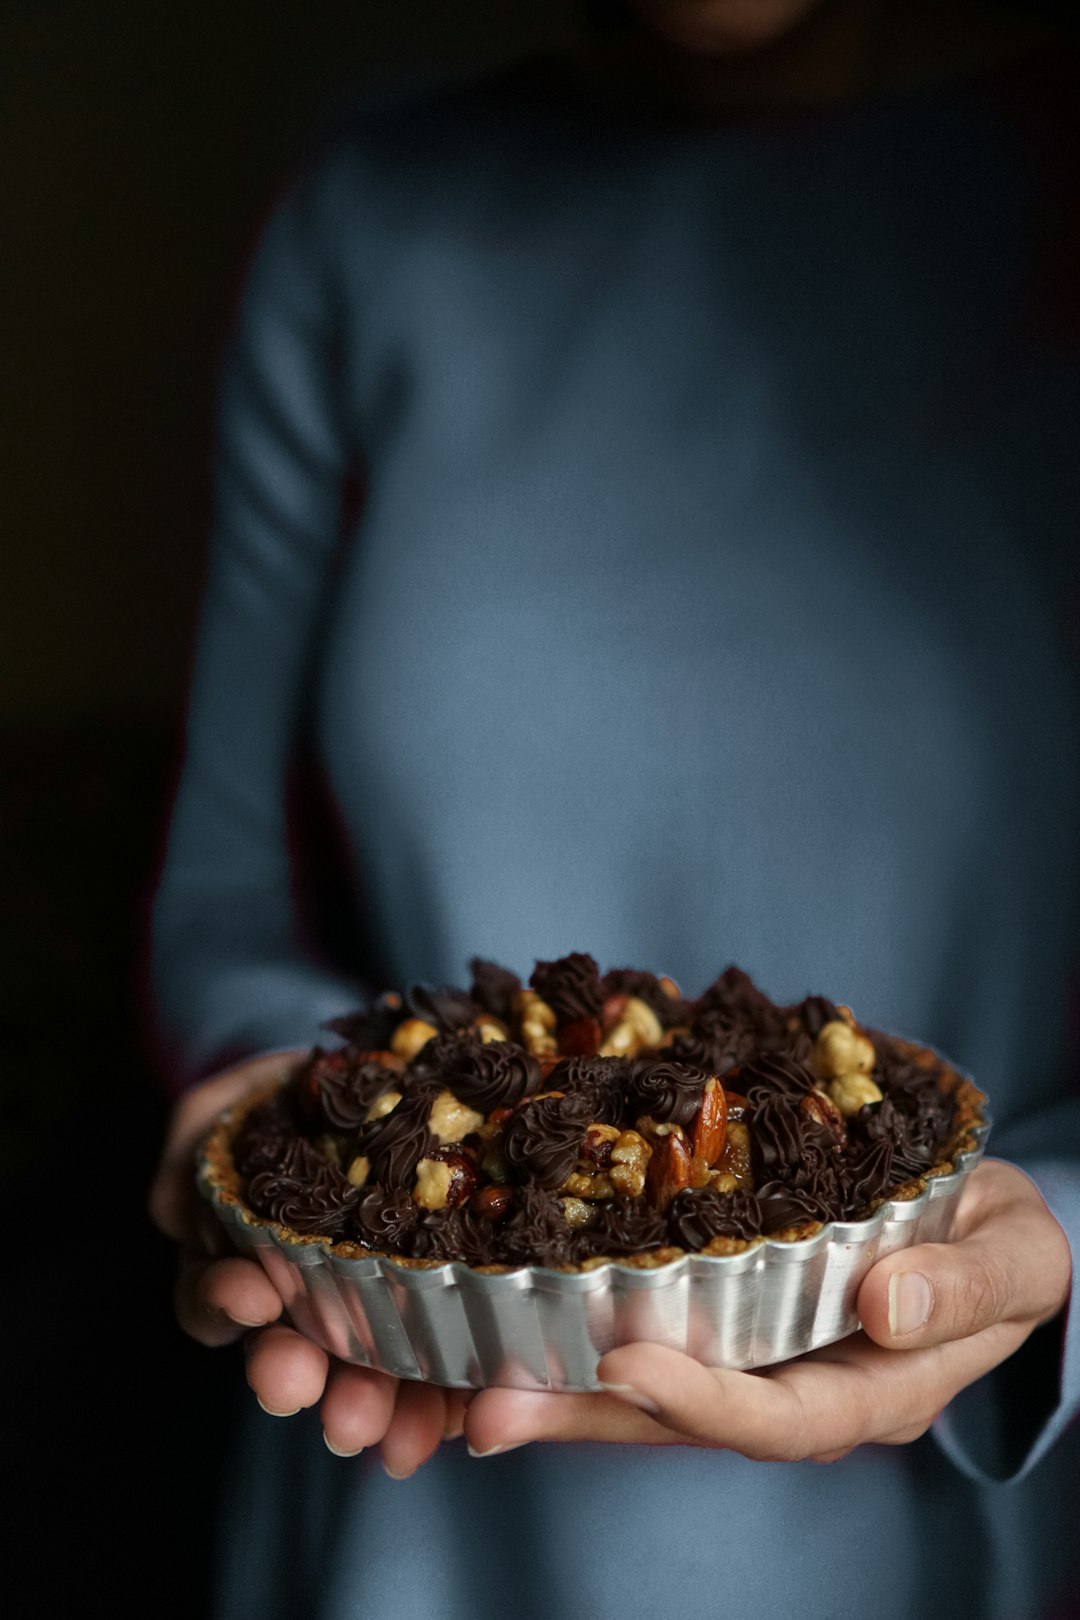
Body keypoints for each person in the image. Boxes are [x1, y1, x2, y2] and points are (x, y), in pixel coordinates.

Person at [148, 1, 1080, 1614]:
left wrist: (1060, 1239)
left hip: (976, 1516)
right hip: (406, 1492)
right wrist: (269, 1107)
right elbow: (229, 905)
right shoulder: (370, 225)